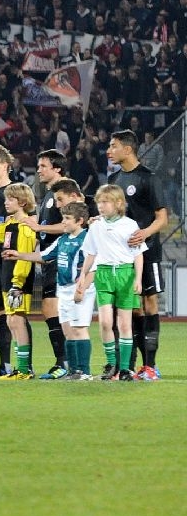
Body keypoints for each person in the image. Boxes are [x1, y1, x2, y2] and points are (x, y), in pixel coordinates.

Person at [5, 202, 95, 380]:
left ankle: (84, 372)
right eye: (63, 218)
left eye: (67, 218)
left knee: (79, 329)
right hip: (63, 289)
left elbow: (94, 267)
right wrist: (20, 255)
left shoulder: (87, 239)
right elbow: (44, 256)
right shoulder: (62, 239)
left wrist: (82, 288)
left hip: (79, 289)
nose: (64, 222)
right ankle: (73, 370)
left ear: (80, 221)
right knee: (67, 331)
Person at [106, 130, 167, 380]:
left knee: (150, 303)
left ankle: (150, 366)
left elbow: (162, 218)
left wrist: (145, 233)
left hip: (148, 252)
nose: (109, 151)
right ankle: (129, 366)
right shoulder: (113, 179)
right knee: (131, 309)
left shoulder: (148, 178)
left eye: (113, 146)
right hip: (122, 255)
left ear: (128, 149)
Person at [77, 185, 146, 381]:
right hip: (104, 274)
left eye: (105, 202)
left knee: (124, 324)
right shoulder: (95, 226)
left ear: (118, 203)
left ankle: (124, 369)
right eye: (99, 202)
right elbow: (91, 253)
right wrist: (82, 275)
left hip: (125, 274)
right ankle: (111, 364)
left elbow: (138, 254)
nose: (101, 205)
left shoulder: (130, 225)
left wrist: (138, 279)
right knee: (106, 322)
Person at [0, 183, 38, 379]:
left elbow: (25, 257)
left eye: (10, 199)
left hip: (17, 282)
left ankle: (24, 369)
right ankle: (19, 368)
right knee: (11, 321)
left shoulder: (26, 227)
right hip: (7, 279)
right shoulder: (9, 224)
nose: (5, 202)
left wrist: (17, 283)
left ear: (22, 202)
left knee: (18, 321)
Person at [20, 149, 69, 378]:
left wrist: (39, 227)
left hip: (62, 259)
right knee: (49, 309)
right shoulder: (50, 194)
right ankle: (64, 362)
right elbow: (44, 228)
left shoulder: (64, 192)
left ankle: (65, 362)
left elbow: (70, 224)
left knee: (55, 309)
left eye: (43, 166)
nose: (38, 170)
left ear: (57, 168)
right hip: (49, 259)